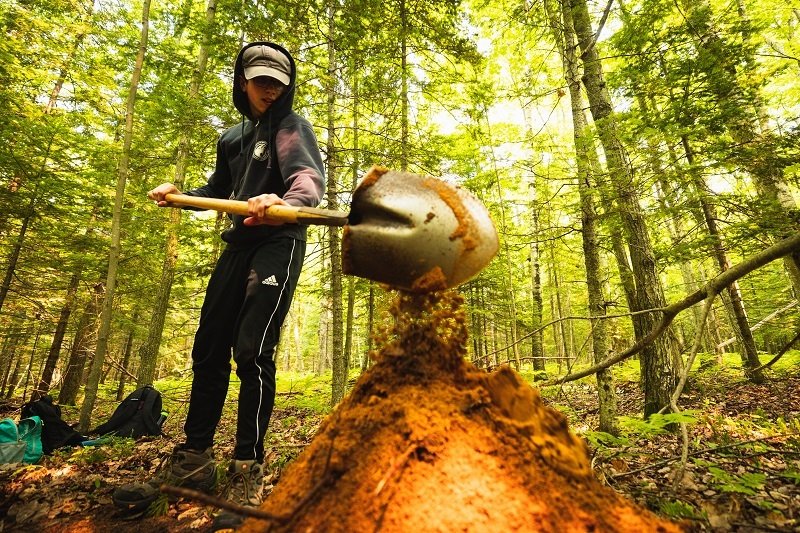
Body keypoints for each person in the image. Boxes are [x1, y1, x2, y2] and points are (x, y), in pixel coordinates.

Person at [113, 42, 325, 530]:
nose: (270, 90)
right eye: (261, 81)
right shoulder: (232, 137)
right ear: (243, 82)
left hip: (278, 243)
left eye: (278, 83)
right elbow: (218, 190)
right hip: (238, 246)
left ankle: (248, 465)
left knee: (252, 352)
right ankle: (195, 460)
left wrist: (283, 200)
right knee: (209, 349)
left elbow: (308, 181)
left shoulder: (293, 128)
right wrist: (181, 195)